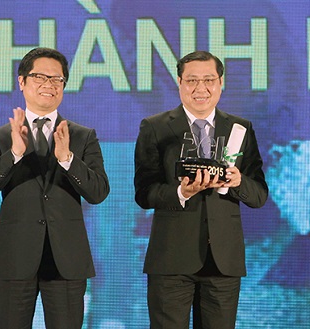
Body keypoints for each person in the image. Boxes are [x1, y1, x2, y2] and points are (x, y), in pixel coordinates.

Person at [0, 47, 110, 328]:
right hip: (14, 259)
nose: (49, 85)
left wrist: (67, 159)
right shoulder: (0, 137)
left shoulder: (82, 136)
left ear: (64, 86)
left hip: (66, 261)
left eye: (57, 79)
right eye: (40, 77)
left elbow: (98, 192)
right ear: (21, 82)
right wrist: (15, 154)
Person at [134, 50, 268, 329]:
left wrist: (238, 182)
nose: (201, 88)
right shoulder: (155, 127)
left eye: (209, 80)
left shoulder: (240, 129)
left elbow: (259, 195)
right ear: (180, 83)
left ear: (221, 83)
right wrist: (181, 193)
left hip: (223, 262)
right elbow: (144, 193)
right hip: (171, 260)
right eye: (192, 81)